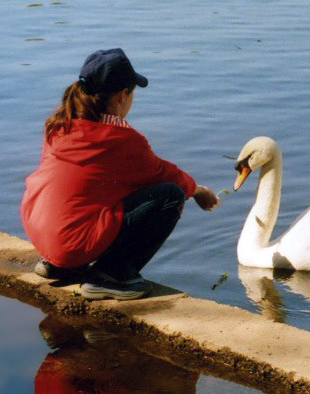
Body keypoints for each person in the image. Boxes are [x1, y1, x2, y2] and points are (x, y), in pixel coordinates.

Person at [21, 48, 220, 301]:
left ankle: (60, 265)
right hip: (71, 243)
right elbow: (163, 175)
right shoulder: (120, 140)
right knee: (170, 195)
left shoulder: (60, 126)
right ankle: (111, 277)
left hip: (42, 234)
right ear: (122, 95)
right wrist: (197, 190)